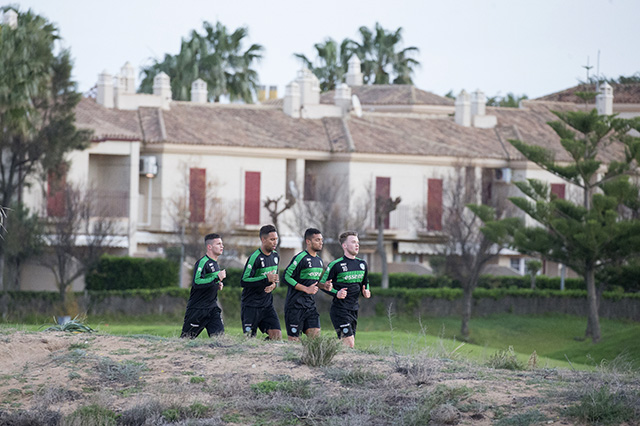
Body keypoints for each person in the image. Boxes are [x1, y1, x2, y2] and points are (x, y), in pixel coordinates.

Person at [320, 231, 371, 348]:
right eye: (353, 242)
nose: (357, 245)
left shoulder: (362, 264)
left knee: (345, 345)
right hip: (339, 310)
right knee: (349, 343)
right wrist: (336, 293)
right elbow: (322, 284)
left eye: (357, 242)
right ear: (344, 246)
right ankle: (325, 350)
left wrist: (366, 291)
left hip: (354, 309)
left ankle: (327, 350)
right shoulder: (335, 265)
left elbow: (365, 282)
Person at [282, 228, 333, 341]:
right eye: (317, 240)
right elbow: (286, 276)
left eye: (321, 240)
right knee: (294, 342)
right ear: (308, 242)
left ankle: (310, 359)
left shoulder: (319, 261)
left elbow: (313, 282)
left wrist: (323, 286)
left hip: (310, 306)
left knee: (315, 339)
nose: (321, 242)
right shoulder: (300, 258)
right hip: (295, 306)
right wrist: (305, 289)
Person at [180, 233, 226, 338]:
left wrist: (217, 284)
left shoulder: (215, 263)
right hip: (197, 310)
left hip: (212, 309)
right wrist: (216, 278)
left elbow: (208, 281)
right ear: (209, 246)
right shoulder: (202, 262)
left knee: (220, 340)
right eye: (218, 244)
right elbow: (197, 282)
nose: (222, 246)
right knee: (185, 340)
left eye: (222, 244)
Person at [240, 224, 282, 340]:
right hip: (251, 306)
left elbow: (274, 278)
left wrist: (273, 285)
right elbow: (244, 280)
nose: (275, 242)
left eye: (276, 239)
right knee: (249, 340)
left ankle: (263, 355)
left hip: (267, 305)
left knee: (276, 337)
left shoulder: (275, 256)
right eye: (272, 239)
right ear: (263, 240)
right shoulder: (255, 257)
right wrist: (265, 280)